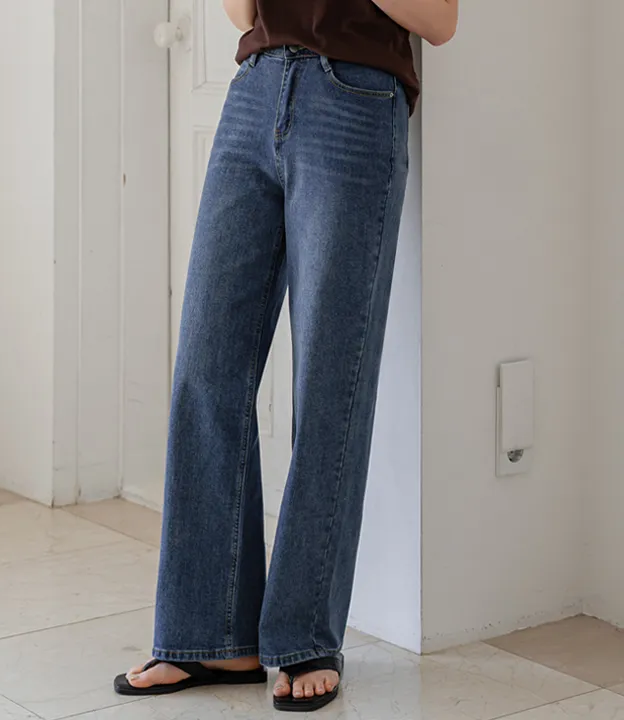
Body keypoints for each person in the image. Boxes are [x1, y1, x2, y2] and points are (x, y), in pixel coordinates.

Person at [115, 0, 457, 712]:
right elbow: (243, 12)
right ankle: (211, 635)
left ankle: (305, 636)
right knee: (207, 370)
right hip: (255, 90)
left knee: (331, 380)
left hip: (355, 98)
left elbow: (440, 19)